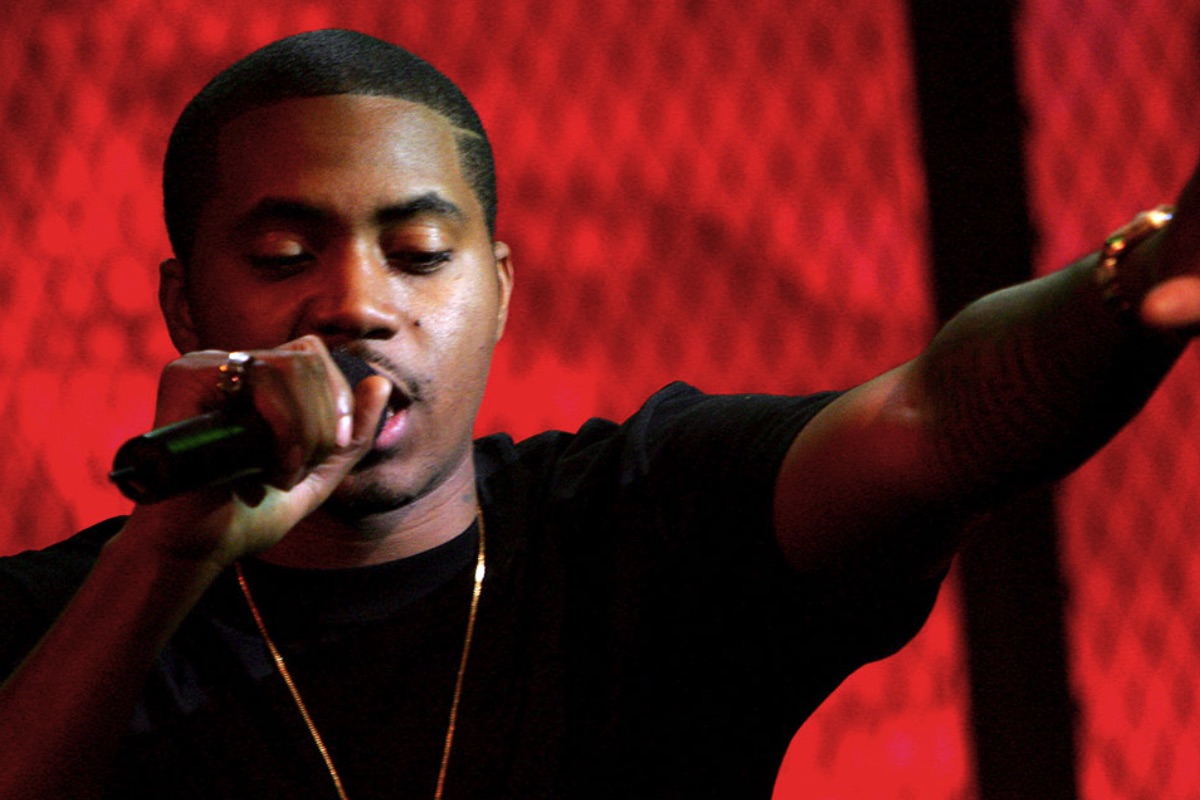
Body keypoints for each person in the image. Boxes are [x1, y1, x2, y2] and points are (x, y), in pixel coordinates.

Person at [1, 27, 1198, 800]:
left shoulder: (645, 522)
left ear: (499, 292)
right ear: (185, 304)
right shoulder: (58, 625)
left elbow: (933, 420)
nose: (357, 302)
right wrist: (163, 562)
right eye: (281, 255)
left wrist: (1145, 280)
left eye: (419, 253)